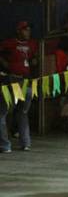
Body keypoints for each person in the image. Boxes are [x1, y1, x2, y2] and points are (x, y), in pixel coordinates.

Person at [0, 21, 38, 152]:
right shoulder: (9, 43)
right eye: (25, 29)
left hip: (26, 82)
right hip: (13, 81)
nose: (28, 32)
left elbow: (34, 58)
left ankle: (25, 143)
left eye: (28, 29)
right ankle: (6, 145)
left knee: (22, 113)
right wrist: (6, 64)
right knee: (4, 112)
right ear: (18, 31)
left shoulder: (32, 44)